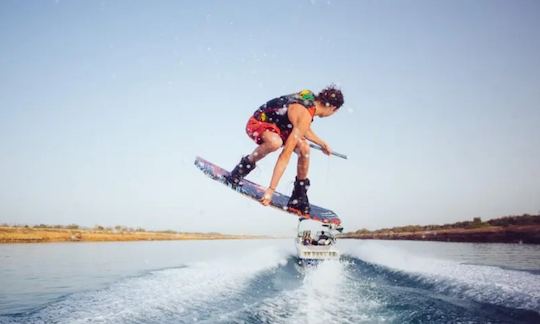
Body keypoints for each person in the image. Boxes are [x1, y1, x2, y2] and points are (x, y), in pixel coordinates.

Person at [225, 85, 344, 215]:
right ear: (333, 108)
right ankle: (240, 170)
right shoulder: (305, 114)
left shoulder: (309, 97)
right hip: (260, 122)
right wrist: (271, 190)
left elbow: (302, 126)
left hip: (281, 128)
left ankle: (299, 196)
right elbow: (285, 155)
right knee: (275, 143)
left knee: (305, 148)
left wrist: (322, 143)